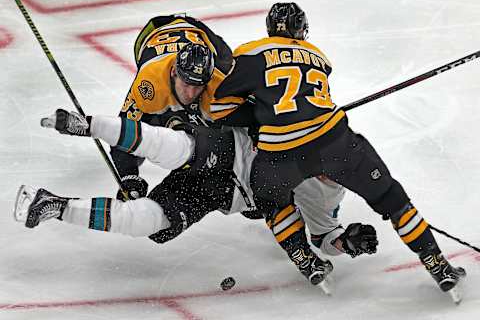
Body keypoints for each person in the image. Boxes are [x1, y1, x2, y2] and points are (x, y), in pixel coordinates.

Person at [212, 2, 465, 299]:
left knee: (271, 201)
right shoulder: (320, 57)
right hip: (334, 142)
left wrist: (262, 115)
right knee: (391, 198)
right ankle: (437, 265)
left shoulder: (249, 53)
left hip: (281, 153)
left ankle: (304, 259)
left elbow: (220, 109)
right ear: (301, 29)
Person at [14, 108, 378, 273]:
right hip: (230, 148)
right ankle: (86, 125)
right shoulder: (306, 130)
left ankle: (53, 206)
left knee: (149, 223)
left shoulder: (330, 195)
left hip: (222, 193)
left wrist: (346, 243)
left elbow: (324, 237)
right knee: (177, 147)